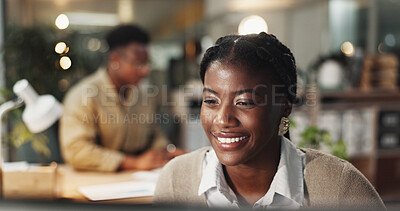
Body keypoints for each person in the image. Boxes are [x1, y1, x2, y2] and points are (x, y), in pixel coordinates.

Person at [154, 32, 386, 209]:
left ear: (285, 106)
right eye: (211, 101)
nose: (223, 119)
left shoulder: (339, 188)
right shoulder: (176, 180)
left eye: (244, 102)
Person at [60, 25, 181, 172]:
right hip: (94, 182)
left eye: (147, 63)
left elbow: (154, 135)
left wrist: (167, 152)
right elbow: (76, 150)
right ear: (115, 59)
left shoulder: (144, 95)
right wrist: (133, 163)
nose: (145, 70)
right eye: (138, 63)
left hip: (138, 181)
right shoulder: (83, 95)